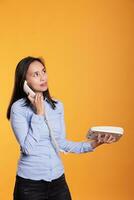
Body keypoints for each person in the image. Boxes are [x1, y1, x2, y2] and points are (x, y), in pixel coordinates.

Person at [7, 56, 116, 200]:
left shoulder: (57, 106)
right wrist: (39, 114)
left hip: (58, 183)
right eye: (36, 74)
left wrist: (96, 143)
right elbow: (28, 148)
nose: (43, 77)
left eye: (43, 71)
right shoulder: (18, 108)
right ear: (24, 82)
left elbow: (61, 144)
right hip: (29, 187)